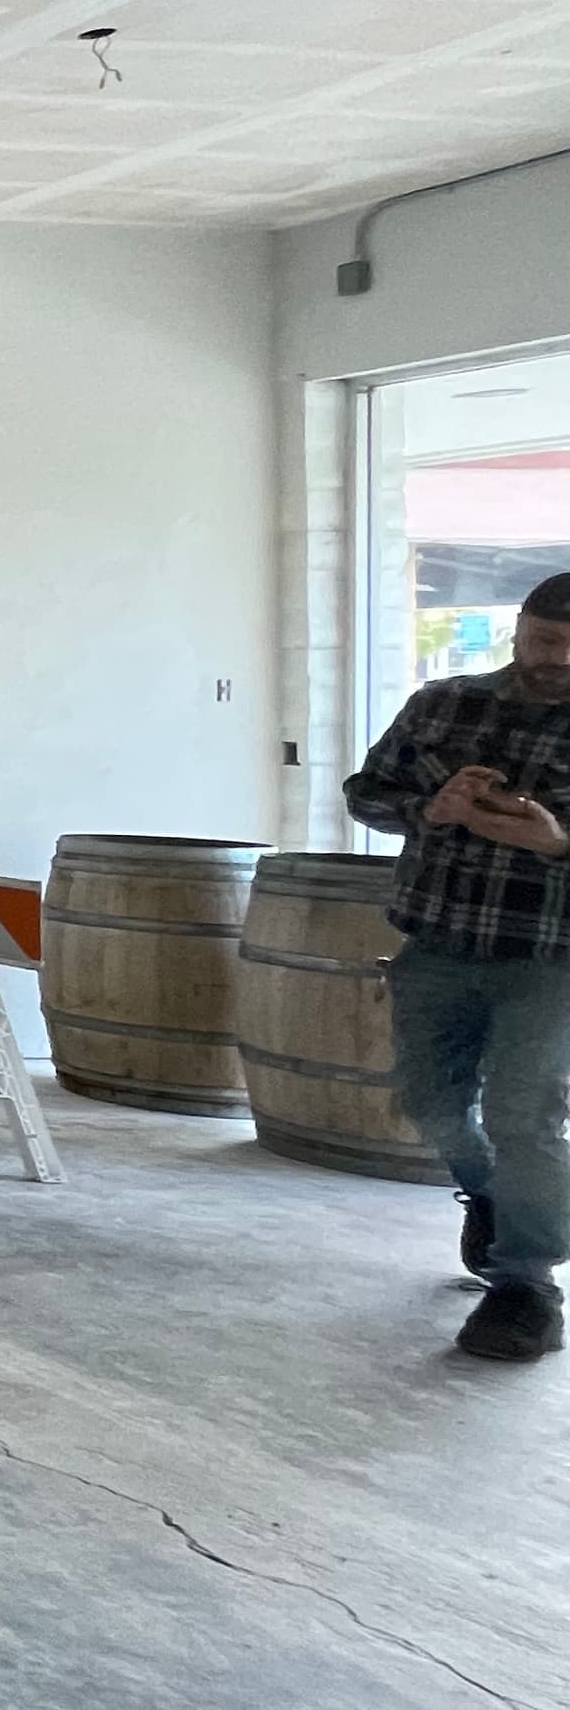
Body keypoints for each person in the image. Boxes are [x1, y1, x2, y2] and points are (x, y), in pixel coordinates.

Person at [343, 568, 570, 1361]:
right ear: (519, 628)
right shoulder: (443, 704)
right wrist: (426, 809)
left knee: (524, 1117)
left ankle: (527, 1285)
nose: (558, 661)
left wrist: (556, 842)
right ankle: (490, 1199)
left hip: (551, 957)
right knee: (428, 1104)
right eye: (546, 642)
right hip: (437, 942)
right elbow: (366, 791)